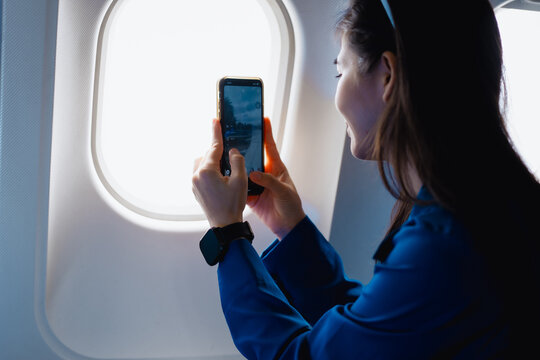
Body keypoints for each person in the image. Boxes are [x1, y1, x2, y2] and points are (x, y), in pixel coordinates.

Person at [192, 0, 540, 358]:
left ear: (387, 75)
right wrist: (293, 229)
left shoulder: (445, 245)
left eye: (340, 73)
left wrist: (229, 235)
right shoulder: (490, 201)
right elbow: (378, 326)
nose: (337, 96)